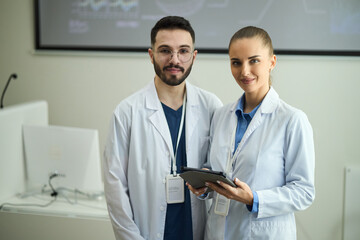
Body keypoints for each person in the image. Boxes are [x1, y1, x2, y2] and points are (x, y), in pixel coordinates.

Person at [188, 26, 315, 239]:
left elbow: (304, 192)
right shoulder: (221, 114)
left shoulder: (292, 120)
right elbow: (220, 168)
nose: (244, 71)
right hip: (218, 231)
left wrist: (254, 199)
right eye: (236, 62)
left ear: (272, 62)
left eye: (254, 60)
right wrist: (204, 184)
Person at [103, 16, 222, 240]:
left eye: (183, 51)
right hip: (146, 232)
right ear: (151, 55)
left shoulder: (212, 106)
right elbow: (114, 187)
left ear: (193, 56)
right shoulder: (127, 111)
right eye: (165, 50)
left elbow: (218, 170)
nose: (174, 60)